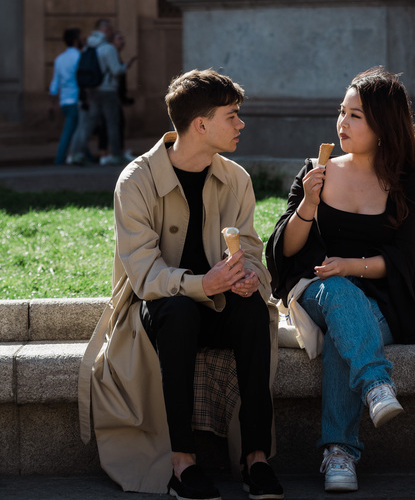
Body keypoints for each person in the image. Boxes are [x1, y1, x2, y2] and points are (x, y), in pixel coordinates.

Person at [78, 69, 283, 500]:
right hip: (155, 309)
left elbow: (252, 256)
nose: (241, 124)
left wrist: (248, 280)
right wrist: (202, 284)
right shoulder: (135, 181)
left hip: (219, 303)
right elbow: (146, 277)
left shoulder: (237, 179)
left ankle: (256, 458)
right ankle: (181, 464)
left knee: (251, 311)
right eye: (233, 116)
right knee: (179, 312)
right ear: (201, 125)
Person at [266, 66, 415, 493]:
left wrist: (351, 264)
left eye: (355, 115)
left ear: (383, 124)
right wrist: (308, 202)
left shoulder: (407, 184)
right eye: (341, 112)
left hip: (378, 299)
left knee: (349, 329)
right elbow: (284, 252)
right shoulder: (316, 168)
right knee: (340, 295)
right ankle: (376, 385)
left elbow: (400, 260)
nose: (342, 123)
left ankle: (338, 454)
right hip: (315, 288)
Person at [73, 18, 134, 166]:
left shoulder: (88, 46)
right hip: (108, 90)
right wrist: (125, 67)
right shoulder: (108, 48)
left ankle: (78, 154)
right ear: (105, 30)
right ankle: (116, 155)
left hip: (93, 89)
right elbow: (115, 70)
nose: (112, 32)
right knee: (112, 123)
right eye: (111, 29)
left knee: (89, 123)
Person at [48, 28, 82, 165]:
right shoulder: (79, 57)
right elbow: (81, 79)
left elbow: (55, 83)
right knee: (71, 131)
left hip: (64, 102)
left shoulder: (59, 59)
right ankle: (60, 159)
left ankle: (85, 156)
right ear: (75, 40)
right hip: (75, 99)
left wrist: (52, 103)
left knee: (77, 130)